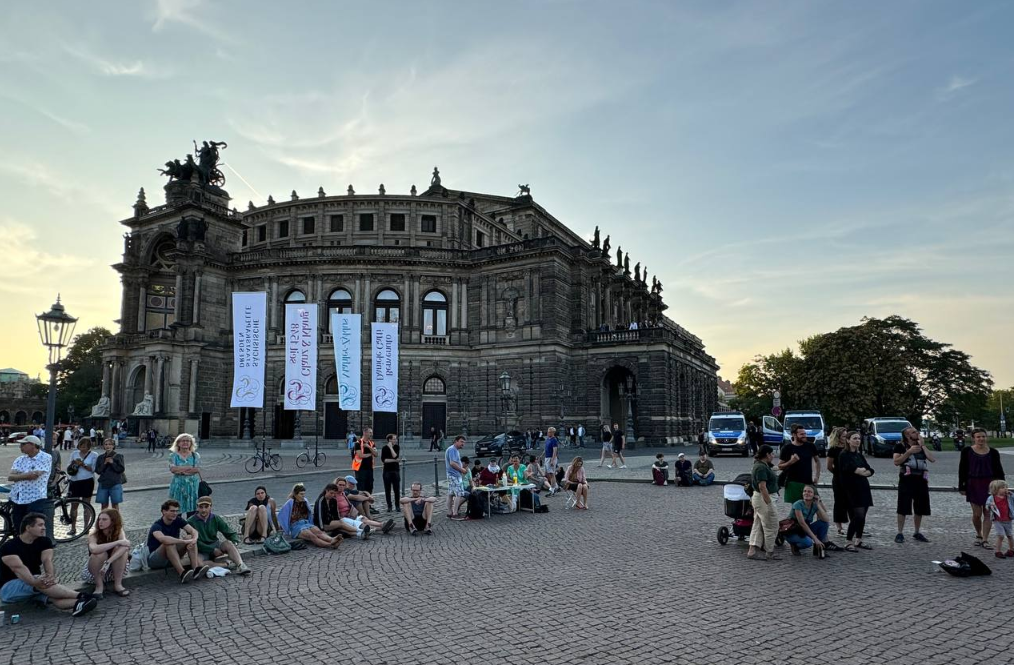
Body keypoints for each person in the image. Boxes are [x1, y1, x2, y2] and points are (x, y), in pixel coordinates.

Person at [1, 513, 98, 616]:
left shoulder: (44, 542)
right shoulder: (9, 547)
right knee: (42, 582)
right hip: (9, 588)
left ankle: (79, 604)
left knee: (53, 597)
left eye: (44, 525)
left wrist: (50, 576)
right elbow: (19, 568)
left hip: (36, 586)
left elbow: (47, 560)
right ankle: (82, 596)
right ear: (28, 528)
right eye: (40, 525)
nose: (44, 528)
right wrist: (35, 582)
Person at [959, 428, 1004, 548]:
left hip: (989, 484)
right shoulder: (967, 451)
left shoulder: (993, 452)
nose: (981, 439)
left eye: (983, 436)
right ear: (973, 438)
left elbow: (999, 470)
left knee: (988, 513)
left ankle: (985, 539)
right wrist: (961, 486)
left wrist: (1001, 486)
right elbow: (962, 469)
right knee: (977, 514)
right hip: (973, 484)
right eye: (978, 437)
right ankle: (978, 534)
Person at [147, 499, 209, 584]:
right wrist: (183, 542)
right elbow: (162, 539)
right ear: (164, 512)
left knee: (189, 537)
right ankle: (182, 573)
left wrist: (193, 540)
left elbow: (193, 531)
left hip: (172, 556)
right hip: (155, 560)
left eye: (177, 511)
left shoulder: (178, 520)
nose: (175, 513)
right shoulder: (157, 525)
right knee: (168, 543)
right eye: (172, 511)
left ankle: (195, 569)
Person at [187, 496, 251, 575]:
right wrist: (212, 550)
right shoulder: (191, 521)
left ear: (210, 507)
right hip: (201, 550)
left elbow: (229, 532)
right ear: (197, 507)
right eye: (201, 507)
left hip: (215, 545)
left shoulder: (216, 518)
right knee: (198, 564)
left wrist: (235, 542)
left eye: (206, 507)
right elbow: (195, 542)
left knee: (228, 544)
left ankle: (241, 565)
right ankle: (226, 564)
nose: (203, 510)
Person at [893, 426, 936, 544]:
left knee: (920, 506)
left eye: (917, 431)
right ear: (907, 435)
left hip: (921, 479)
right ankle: (900, 532)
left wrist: (923, 446)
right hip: (907, 478)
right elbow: (896, 462)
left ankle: (917, 532)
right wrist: (909, 452)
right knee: (903, 506)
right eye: (914, 432)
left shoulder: (920, 445)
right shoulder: (900, 446)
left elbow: (932, 459)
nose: (917, 433)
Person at [6, 435, 52, 540]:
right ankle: (22, 545)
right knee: (19, 525)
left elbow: (34, 476)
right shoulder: (20, 459)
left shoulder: (45, 457)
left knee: (35, 525)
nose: (20, 447)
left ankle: (36, 546)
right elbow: (10, 477)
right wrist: (26, 475)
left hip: (35, 497)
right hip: (18, 497)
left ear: (33, 445)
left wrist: (19, 475)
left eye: (23, 444)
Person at [838, 430, 874, 552]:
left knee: (863, 515)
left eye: (859, 438)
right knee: (858, 515)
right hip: (851, 489)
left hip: (863, 487)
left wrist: (864, 472)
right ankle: (849, 541)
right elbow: (851, 469)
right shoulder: (844, 455)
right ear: (848, 440)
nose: (857, 440)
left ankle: (858, 539)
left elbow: (870, 470)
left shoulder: (859, 455)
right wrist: (860, 471)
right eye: (854, 438)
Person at [277, 484, 342, 548]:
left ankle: (332, 539)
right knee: (312, 536)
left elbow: (309, 513)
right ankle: (330, 545)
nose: (303, 496)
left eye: (304, 494)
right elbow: (282, 515)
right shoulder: (290, 502)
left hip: (306, 523)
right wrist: (286, 529)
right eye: (301, 494)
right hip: (296, 526)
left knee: (319, 532)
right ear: (295, 494)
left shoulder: (305, 501)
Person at [746, 446, 781, 561]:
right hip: (763, 499)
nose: (773, 456)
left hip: (759, 498)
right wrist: (769, 503)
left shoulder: (762, 465)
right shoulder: (761, 467)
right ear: (767, 454)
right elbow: (762, 487)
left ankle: (752, 551)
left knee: (758, 524)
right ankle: (769, 551)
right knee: (771, 525)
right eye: (772, 454)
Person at [86, 508, 131, 597]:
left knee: (121, 549)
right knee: (100, 553)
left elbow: (126, 545)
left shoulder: (119, 531)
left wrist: (108, 562)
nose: (100, 522)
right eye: (99, 519)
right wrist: (117, 542)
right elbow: (93, 549)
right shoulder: (93, 534)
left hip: (115, 570)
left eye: (104, 519)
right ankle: (99, 586)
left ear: (113, 521)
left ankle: (118, 585)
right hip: (95, 572)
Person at [784, 485, 831, 558]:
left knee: (824, 523)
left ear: (814, 495)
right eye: (805, 491)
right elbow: (802, 523)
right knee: (808, 543)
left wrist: (818, 504)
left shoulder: (814, 505)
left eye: (809, 492)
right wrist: (815, 539)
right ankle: (795, 546)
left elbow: (826, 519)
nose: (806, 493)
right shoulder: (798, 504)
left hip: (803, 530)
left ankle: (818, 548)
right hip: (793, 530)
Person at [778, 424, 820, 504]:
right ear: (794, 435)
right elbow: (780, 466)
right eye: (801, 434)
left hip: (808, 482)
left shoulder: (810, 446)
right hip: (793, 483)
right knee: (797, 507)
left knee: (816, 504)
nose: (804, 436)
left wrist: (817, 476)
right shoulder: (787, 448)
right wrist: (791, 461)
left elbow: (817, 461)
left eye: (805, 433)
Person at [66, 437, 99, 536]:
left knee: (86, 505)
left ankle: (86, 528)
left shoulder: (94, 455)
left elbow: (93, 469)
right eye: (81, 446)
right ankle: (73, 527)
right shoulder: (74, 453)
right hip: (74, 481)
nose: (82, 448)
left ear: (89, 447)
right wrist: (73, 463)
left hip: (87, 481)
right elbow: (68, 466)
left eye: (85, 446)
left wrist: (83, 464)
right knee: (74, 505)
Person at [168, 433, 202, 516]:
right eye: (183, 441)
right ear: (178, 443)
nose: (185, 442)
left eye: (188, 441)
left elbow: (196, 469)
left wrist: (180, 470)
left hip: (192, 486)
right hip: (178, 485)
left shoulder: (195, 455)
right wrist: (189, 468)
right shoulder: (173, 456)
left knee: (192, 510)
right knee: (176, 509)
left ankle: (190, 524)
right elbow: (173, 469)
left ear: (191, 443)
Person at [826, 427, 849, 536]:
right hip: (839, 479)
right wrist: (837, 473)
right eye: (844, 436)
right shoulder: (833, 449)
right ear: (838, 437)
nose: (846, 438)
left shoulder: (849, 448)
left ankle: (855, 525)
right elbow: (829, 466)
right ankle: (839, 527)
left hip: (851, 479)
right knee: (839, 502)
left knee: (852, 502)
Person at [985, 480, 1014, 559]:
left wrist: (1011, 494)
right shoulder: (991, 498)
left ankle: (1011, 550)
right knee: (1000, 535)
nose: (1005, 489)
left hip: (1008, 519)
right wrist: (990, 505)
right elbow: (987, 507)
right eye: (1003, 488)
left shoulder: (1009, 496)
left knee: (1010, 535)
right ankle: (998, 551)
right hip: (998, 520)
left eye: (1006, 487)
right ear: (996, 489)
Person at [95, 438, 126, 510]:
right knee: (104, 505)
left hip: (115, 483)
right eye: (106, 444)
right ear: (103, 446)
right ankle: (104, 516)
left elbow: (121, 469)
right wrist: (104, 463)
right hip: (103, 483)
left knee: (115, 505)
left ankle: (116, 517)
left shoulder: (119, 456)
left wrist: (113, 463)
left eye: (110, 444)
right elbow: (98, 471)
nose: (108, 446)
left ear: (113, 446)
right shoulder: (100, 457)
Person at [445, 435, 468, 520]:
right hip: (454, 475)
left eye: (464, 442)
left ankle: (449, 512)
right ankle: (455, 513)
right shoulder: (453, 449)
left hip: (452, 474)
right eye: (461, 442)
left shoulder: (454, 450)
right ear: (456, 441)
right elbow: (452, 463)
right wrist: (462, 470)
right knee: (459, 494)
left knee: (450, 493)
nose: (463, 444)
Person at [381, 433, 402, 512]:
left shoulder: (396, 447)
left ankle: (397, 506)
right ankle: (389, 506)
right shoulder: (384, 448)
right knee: (387, 490)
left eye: (396, 439)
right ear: (389, 440)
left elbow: (395, 456)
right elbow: (384, 460)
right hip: (387, 471)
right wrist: (395, 460)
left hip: (395, 470)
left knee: (397, 489)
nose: (395, 440)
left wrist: (391, 448)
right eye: (394, 439)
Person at [353, 427, 376, 495]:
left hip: (370, 468)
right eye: (370, 432)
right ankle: (362, 501)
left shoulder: (371, 443)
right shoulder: (358, 443)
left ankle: (368, 500)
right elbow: (360, 455)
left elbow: (376, 454)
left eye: (371, 432)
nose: (371, 434)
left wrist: (369, 447)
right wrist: (371, 454)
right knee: (361, 487)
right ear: (365, 433)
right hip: (360, 468)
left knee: (370, 486)